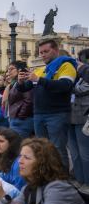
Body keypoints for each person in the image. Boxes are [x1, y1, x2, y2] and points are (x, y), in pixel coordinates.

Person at [17, 40, 77, 171]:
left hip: (58, 114)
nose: (43, 55)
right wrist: (20, 82)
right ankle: (46, 180)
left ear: (56, 50)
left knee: (58, 151)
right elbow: (24, 88)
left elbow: (64, 86)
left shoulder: (66, 66)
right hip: (39, 115)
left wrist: (39, 80)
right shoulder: (39, 70)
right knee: (42, 152)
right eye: (41, 53)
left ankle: (61, 184)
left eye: (46, 51)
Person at [68, 77, 89, 192]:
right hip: (68, 116)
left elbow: (80, 90)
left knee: (85, 154)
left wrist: (65, 84)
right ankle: (80, 180)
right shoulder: (74, 78)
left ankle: (88, 182)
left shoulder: (86, 76)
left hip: (83, 117)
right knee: (74, 153)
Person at [4, 61, 34, 139]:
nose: (8, 71)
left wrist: (20, 116)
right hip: (17, 119)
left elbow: (29, 100)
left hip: (22, 121)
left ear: (19, 69)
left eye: (11, 68)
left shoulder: (25, 81)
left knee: (15, 146)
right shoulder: (15, 83)